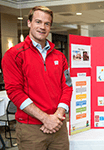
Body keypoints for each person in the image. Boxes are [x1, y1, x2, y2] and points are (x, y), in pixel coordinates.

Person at [1, 6, 72, 150]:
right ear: (29, 23)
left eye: (47, 23)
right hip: (31, 129)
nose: (42, 27)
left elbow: (67, 87)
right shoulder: (13, 55)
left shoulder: (60, 56)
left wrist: (57, 116)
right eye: (38, 22)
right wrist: (46, 119)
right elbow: (15, 92)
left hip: (58, 126)